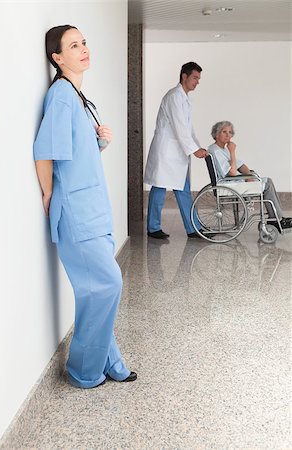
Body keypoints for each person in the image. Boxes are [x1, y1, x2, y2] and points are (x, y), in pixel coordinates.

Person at [34, 25, 136, 388]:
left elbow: (77, 152)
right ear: (57, 58)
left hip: (93, 207)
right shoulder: (62, 95)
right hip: (78, 213)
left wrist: (100, 141)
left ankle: (111, 362)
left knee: (98, 288)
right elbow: (45, 152)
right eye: (73, 45)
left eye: (84, 42)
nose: (83, 49)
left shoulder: (78, 96)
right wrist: (48, 194)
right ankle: (83, 370)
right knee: (105, 285)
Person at [144, 62, 208, 239]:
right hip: (166, 152)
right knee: (160, 187)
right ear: (184, 76)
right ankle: (154, 227)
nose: (197, 82)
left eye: (199, 79)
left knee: (182, 189)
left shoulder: (185, 99)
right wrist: (194, 150)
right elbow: (180, 126)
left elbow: (188, 129)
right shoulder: (174, 96)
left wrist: (197, 146)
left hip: (177, 152)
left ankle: (191, 227)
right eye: (195, 78)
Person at [208, 121, 292, 230]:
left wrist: (249, 175)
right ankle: (277, 220)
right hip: (227, 184)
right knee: (266, 185)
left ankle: (277, 218)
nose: (228, 135)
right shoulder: (215, 150)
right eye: (224, 132)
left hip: (234, 181)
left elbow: (241, 165)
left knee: (267, 181)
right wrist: (233, 151)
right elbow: (232, 172)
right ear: (216, 134)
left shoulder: (223, 149)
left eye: (230, 132)